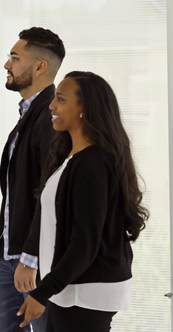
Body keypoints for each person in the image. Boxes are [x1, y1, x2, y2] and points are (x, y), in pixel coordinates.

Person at [17, 71, 148, 331]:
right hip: (70, 289)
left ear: (84, 109)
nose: (52, 106)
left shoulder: (93, 163)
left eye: (61, 99)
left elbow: (85, 242)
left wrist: (43, 291)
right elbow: (48, 221)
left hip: (87, 292)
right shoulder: (71, 158)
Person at [0, 27, 65, 332]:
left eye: (14, 57)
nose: (7, 64)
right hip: (13, 254)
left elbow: (49, 196)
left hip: (35, 260)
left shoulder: (51, 117)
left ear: (40, 66)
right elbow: (13, 192)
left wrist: (30, 258)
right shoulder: (27, 116)